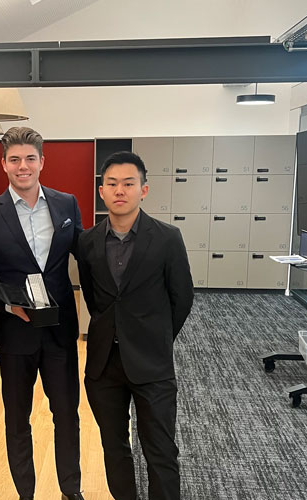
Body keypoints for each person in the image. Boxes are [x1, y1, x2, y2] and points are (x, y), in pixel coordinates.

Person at [0, 127, 84, 500]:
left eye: (30, 158)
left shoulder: (66, 204)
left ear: (42, 162)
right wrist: (7, 304)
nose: (23, 166)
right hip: (15, 334)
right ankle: (26, 494)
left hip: (60, 332)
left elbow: (86, 256)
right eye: (15, 159)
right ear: (3, 164)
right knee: (17, 420)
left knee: (67, 415)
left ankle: (71, 490)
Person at [77, 151, 194, 500]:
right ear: (101, 191)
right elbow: (94, 298)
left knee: (160, 450)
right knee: (114, 447)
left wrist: (155, 336)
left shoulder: (167, 238)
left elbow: (182, 298)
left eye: (128, 183)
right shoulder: (87, 241)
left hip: (151, 362)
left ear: (144, 190)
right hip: (104, 365)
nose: (120, 191)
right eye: (112, 184)